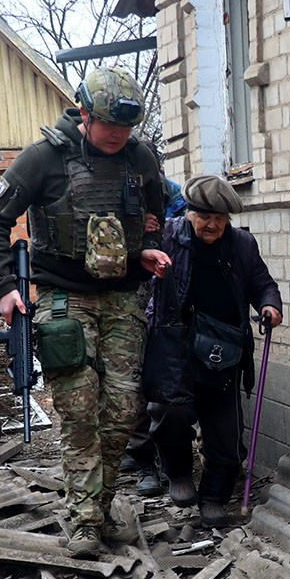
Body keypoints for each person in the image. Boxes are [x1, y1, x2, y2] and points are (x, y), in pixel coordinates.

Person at [0, 66, 172, 558]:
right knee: (80, 408)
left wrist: (146, 248)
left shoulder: (139, 156)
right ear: (85, 113)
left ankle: (99, 508)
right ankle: (85, 522)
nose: (118, 137)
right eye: (110, 127)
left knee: (124, 409)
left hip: (125, 296)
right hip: (65, 297)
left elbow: (154, 212)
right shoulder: (44, 159)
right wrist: (4, 289)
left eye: (127, 129)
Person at [144, 174, 282, 528]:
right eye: (205, 217)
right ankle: (177, 471)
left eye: (220, 219)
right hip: (176, 344)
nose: (213, 225)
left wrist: (269, 305)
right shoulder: (168, 237)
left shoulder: (242, 244)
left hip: (224, 346)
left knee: (226, 431)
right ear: (190, 212)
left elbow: (261, 282)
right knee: (170, 413)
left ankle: (214, 498)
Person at [121, 164, 188, 498]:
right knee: (134, 381)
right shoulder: (110, 189)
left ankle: (168, 463)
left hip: (164, 293)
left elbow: (187, 232)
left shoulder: (171, 194)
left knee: (163, 379)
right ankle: (142, 459)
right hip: (124, 290)